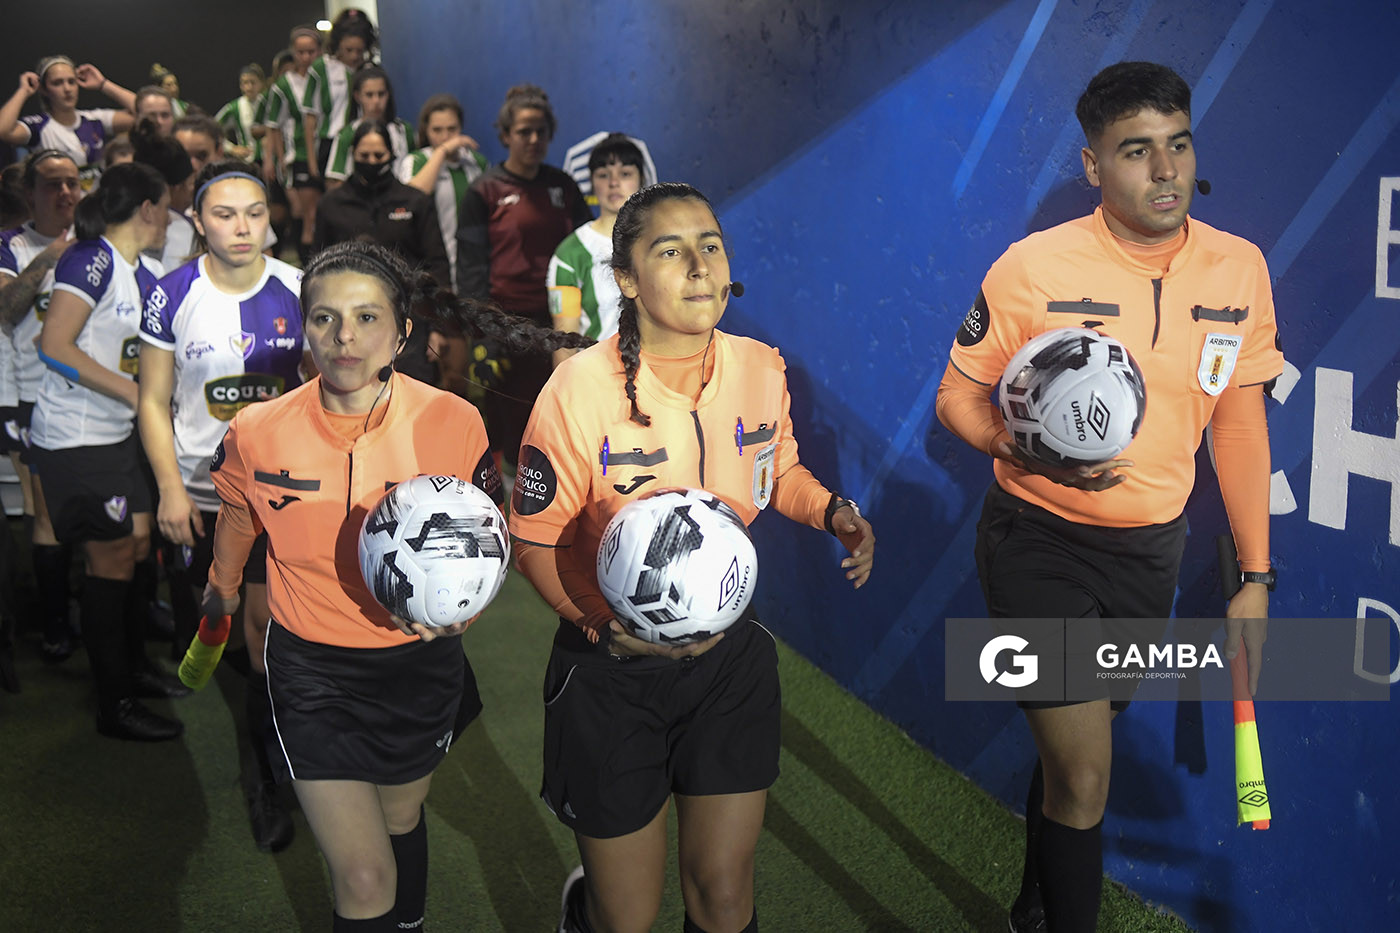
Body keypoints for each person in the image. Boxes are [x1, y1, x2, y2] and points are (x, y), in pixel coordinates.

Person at [933, 62, 1281, 933]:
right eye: (1136, 151)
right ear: (1093, 166)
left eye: (1178, 144)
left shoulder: (1239, 270)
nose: (1166, 171)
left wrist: (1255, 577)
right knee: (1087, 774)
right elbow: (958, 395)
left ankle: (1032, 908)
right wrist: (1014, 445)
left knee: (1071, 761)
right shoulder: (1031, 267)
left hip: (1148, 555)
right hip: (1036, 541)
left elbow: (1236, 429)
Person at [510, 182, 876, 933]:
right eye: (669, 251)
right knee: (629, 918)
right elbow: (535, 538)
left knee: (723, 895)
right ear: (625, 279)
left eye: (710, 244)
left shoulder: (759, 366)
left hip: (729, 667)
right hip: (610, 669)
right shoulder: (578, 390)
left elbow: (780, 474)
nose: (699, 264)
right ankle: (587, 909)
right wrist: (592, 624)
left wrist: (832, 510)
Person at [198, 240, 586, 931]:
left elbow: (483, 537)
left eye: (367, 317)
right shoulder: (258, 430)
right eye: (325, 319)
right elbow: (237, 513)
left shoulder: (453, 420)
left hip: (418, 668)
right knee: (366, 875)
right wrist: (222, 588)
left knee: (401, 815)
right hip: (313, 671)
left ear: (403, 332)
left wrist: (461, 612)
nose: (344, 337)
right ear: (303, 328)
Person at [137, 160, 304, 850]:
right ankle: (204, 656)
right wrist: (172, 487)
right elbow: (151, 399)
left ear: (271, 218)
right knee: (215, 610)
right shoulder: (170, 293)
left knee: (264, 635)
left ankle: (270, 776)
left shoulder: (302, 287)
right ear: (198, 221)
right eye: (226, 214)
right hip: (200, 494)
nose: (242, 227)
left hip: (277, 498)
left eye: (255, 212)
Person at [29, 161, 183, 740]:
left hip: (119, 435)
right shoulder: (91, 257)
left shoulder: (145, 268)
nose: (170, 218)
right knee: (112, 559)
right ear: (146, 208)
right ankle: (112, 702)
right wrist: (137, 392)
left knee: (140, 547)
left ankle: (134, 668)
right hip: (78, 437)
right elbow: (54, 344)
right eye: (165, 206)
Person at [457, 84, 591, 461]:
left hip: (559, 324)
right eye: (523, 132)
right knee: (509, 425)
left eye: (541, 132)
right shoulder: (483, 191)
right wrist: (481, 333)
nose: (533, 139)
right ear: (504, 135)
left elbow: (586, 253)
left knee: (556, 419)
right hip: (505, 326)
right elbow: (470, 269)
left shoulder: (562, 186)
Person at [0, 150, 79, 661]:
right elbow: (7, 309)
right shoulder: (10, 245)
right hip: (34, 397)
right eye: (53, 184)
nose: (66, 192)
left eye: (73, 182)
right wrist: (53, 253)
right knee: (45, 513)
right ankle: (54, 624)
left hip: (97, 398)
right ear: (30, 194)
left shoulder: (97, 246)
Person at [546, 133, 645, 366]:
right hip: (598, 381)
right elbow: (564, 344)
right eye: (603, 175)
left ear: (641, 179)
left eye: (625, 174)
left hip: (657, 382)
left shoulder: (660, 242)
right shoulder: (570, 253)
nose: (613, 183)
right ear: (591, 182)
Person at [0, 56, 137, 189]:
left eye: (71, 81)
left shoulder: (95, 119)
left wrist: (103, 84)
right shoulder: (38, 126)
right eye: (57, 83)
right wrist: (23, 90)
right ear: (44, 89)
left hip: (95, 207)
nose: (67, 89)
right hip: (58, 208)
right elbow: (3, 130)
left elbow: (145, 113)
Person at [396, 93, 484, 293]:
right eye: (437, 130)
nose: (445, 137)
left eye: (452, 129)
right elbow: (412, 198)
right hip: (429, 265)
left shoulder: (476, 163)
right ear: (426, 131)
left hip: (469, 267)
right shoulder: (416, 161)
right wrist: (442, 152)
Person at [263, 26, 322, 266]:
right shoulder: (283, 87)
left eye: (311, 51)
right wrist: (273, 159)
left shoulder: (325, 79)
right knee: (302, 214)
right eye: (301, 52)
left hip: (325, 152)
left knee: (315, 213)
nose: (307, 57)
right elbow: (273, 126)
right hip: (295, 156)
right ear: (293, 53)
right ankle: (306, 267)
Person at [302, 8, 375, 185]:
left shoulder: (369, 69)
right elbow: (310, 117)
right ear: (337, 44)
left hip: (363, 141)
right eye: (348, 50)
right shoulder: (321, 69)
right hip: (330, 142)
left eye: (360, 50)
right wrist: (312, 161)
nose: (354, 56)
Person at [323, 66, 412, 189]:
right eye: (369, 95)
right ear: (357, 96)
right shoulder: (347, 134)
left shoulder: (403, 130)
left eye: (381, 94)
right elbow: (335, 181)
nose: (376, 101)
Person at [130, 118, 197, 271]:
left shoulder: (117, 221)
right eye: (190, 183)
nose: (192, 190)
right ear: (172, 189)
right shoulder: (184, 228)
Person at [214, 63, 266, 164]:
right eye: (245, 83)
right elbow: (212, 129)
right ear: (241, 85)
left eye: (253, 82)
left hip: (272, 164)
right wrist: (231, 148)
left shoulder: (269, 104)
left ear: (261, 84)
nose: (249, 87)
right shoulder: (235, 107)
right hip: (248, 163)